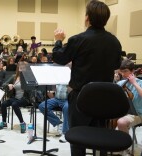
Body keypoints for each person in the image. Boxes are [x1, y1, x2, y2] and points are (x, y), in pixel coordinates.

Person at [52, 1, 121, 155]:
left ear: (87, 18)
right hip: (104, 98)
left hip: (80, 97)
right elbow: (117, 64)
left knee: (78, 137)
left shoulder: (78, 39)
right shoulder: (114, 41)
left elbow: (59, 58)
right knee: (102, 138)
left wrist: (58, 40)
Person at [116, 59, 142, 155]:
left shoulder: (139, 83)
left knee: (121, 122)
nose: (123, 74)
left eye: (125, 71)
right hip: (124, 112)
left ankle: (126, 147)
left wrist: (134, 83)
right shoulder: (120, 84)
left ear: (132, 71)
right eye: (121, 71)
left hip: (138, 114)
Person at [0, 63, 29, 133]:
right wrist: (9, 85)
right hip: (15, 98)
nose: (22, 69)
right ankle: (4, 122)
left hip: (25, 99)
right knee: (3, 104)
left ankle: (22, 123)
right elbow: (4, 84)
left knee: (14, 104)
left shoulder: (28, 78)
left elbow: (30, 90)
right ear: (18, 68)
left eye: (24, 68)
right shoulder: (15, 77)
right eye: (21, 68)